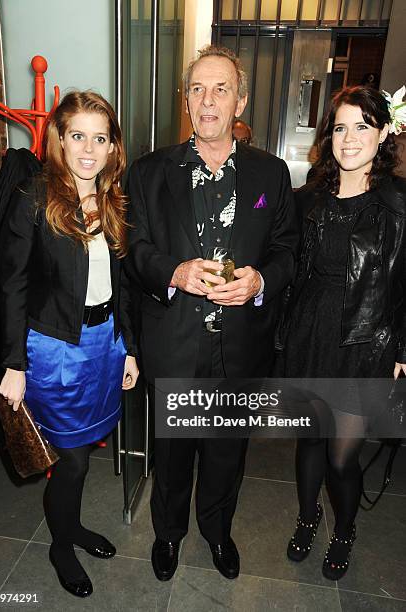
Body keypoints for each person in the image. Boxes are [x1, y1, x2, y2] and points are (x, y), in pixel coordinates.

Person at [126, 45, 298, 581]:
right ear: (185, 101)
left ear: (240, 100)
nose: (208, 100)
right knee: (173, 456)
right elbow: (133, 248)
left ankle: (218, 533)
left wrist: (262, 279)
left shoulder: (272, 175)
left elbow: (289, 249)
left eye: (221, 88)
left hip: (241, 343)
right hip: (175, 339)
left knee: (227, 455)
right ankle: (168, 535)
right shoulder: (149, 171)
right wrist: (174, 272)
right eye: (197, 89)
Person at [0, 91, 139, 598]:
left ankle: (72, 527)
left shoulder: (113, 199)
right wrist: (12, 364)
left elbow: (122, 284)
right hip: (54, 349)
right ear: (59, 139)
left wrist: (130, 348)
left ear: (112, 146)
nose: (88, 148)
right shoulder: (33, 197)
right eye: (77, 135)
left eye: (99, 138)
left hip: (105, 346)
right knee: (72, 458)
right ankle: (61, 544)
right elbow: (10, 284)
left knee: (84, 451)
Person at [281, 85, 406, 580]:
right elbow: (287, 262)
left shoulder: (399, 202)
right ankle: (308, 518)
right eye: (340, 127)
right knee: (309, 441)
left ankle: (345, 529)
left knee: (341, 454)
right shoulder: (308, 196)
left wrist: (402, 344)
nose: (349, 138)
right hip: (310, 331)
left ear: (382, 134)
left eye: (362, 127)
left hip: (365, 339)